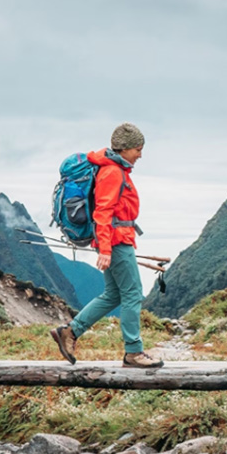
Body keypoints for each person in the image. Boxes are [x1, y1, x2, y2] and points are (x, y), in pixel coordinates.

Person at [50, 123, 163, 368]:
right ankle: (134, 352)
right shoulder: (112, 172)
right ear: (125, 149)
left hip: (117, 240)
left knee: (113, 294)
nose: (140, 154)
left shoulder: (114, 169)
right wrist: (105, 249)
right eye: (138, 149)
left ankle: (70, 332)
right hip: (116, 241)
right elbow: (103, 212)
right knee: (132, 294)